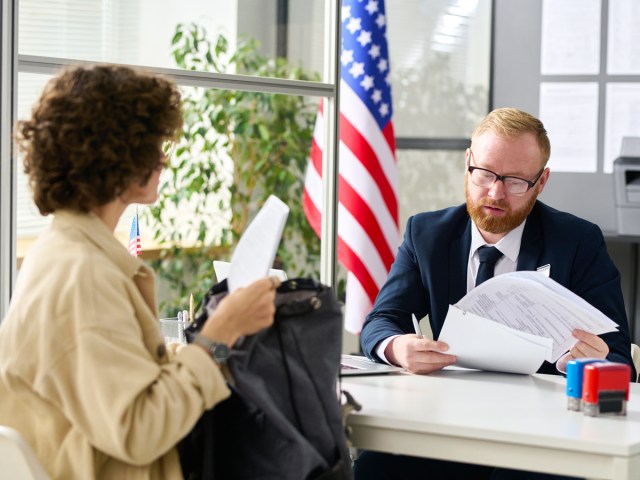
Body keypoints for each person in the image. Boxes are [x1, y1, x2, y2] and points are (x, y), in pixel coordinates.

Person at [0, 64, 280, 479]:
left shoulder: (66, 252)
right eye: (152, 144)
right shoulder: (84, 275)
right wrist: (220, 331)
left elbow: (129, 384)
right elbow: (140, 430)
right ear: (118, 155)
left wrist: (219, 342)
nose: (163, 159)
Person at [356, 107, 635, 480]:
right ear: (468, 163)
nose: (496, 192)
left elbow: (619, 358)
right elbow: (380, 321)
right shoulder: (427, 234)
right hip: (446, 419)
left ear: (542, 182)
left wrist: (585, 365)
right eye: (485, 173)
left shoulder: (578, 242)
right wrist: (397, 348)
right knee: (376, 466)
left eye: (517, 180)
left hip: (542, 431)